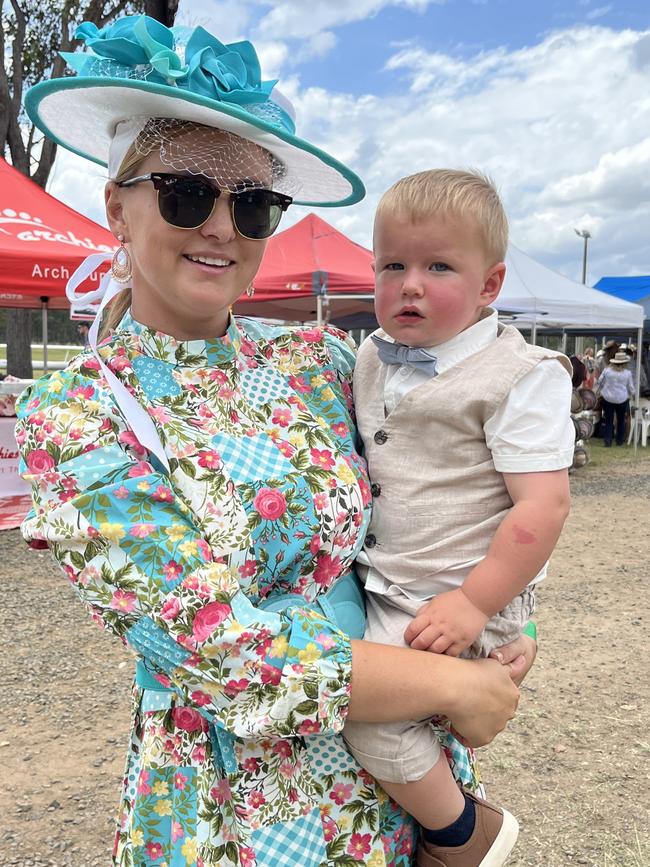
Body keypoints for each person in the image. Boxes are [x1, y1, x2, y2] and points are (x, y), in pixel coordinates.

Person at [16, 17, 529, 867]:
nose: (221, 226)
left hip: (398, 781)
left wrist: (506, 617)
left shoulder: (323, 361)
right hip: (229, 805)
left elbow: (452, 487)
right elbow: (222, 652)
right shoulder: (76, 416)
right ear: (117, 204)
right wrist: (454, 684)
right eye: (186, 193)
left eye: (252, 205)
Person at [343, 169, 573, 867]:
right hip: (391, 585)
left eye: (438, 265)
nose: (409, 283)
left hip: (455, 592)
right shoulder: (366, 355)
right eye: (392, 264)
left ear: (490, 285)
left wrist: (483, 604)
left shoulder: (521, 375)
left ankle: (459, 834)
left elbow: (544, 504)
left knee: (368, 719)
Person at [596, 350, 635, 446]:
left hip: (608, 398)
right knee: (621, 420)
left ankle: (608, 441)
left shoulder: (607, 371)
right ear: (625, 363)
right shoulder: (627, 373)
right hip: (622, 398)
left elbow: (599, 381)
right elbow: (630, 387)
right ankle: (619, 440)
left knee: (609, 420)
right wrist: (633, 395)